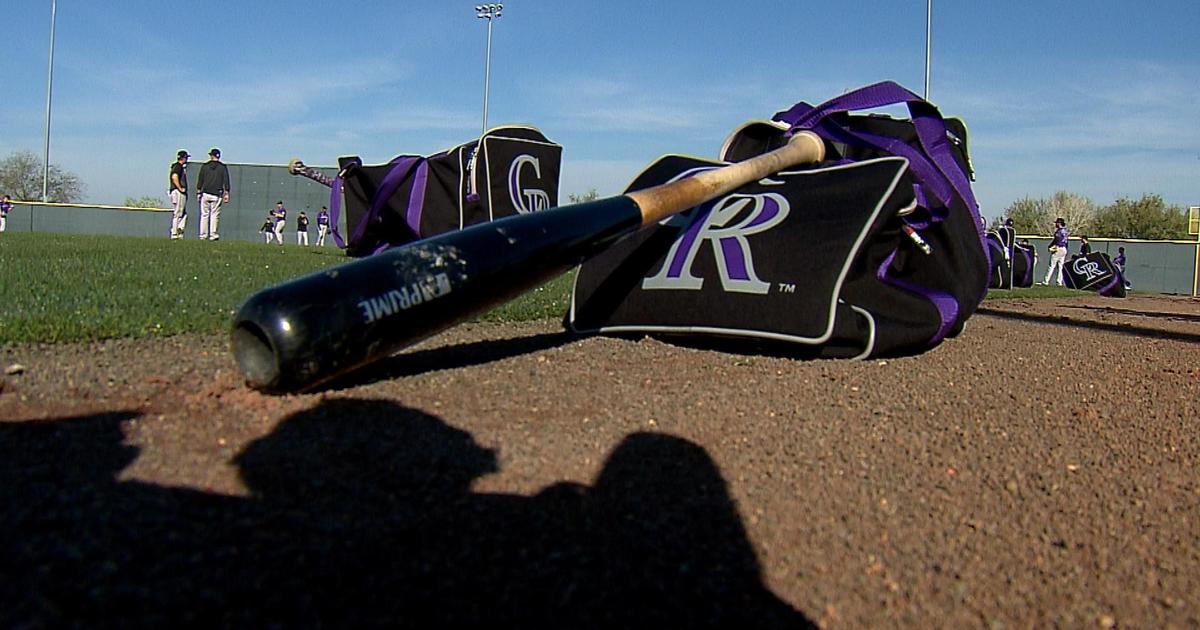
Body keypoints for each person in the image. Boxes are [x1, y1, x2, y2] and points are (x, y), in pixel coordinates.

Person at [196, 148, 231, 241]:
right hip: (217, 193)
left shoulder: (205, 166)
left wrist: (199, 191)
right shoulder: (222, 167)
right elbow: (226, 180)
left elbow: (200, 180)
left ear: (211, 156)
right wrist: (226, 192)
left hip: (206, 193)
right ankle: (213, 234)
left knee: (204, 215)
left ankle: (203, 235)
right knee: (214, 215)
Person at [1040, 217, 1069, 286]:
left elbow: (1057, 241)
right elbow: (1066, 242)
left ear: (1059, 223)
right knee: (1060, 266)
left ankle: (1046, 281)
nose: (1055, 224)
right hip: (1064, 249)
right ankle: (1059, 282)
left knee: (1051, 265)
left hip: (1058, 248)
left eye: (1056, 223)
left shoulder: (1059, 231)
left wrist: (1052, 247)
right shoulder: (1065, 231)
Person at [168, 150, 189, 239]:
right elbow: (174, 176)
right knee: (178, 213)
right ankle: (174, 232)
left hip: (176, 191)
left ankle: (179, 230)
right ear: (183, 158)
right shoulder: (178, 166)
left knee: (183, 213)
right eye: (186, 157)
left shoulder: (177, 166)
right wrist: (180, 188)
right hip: (178, 192)